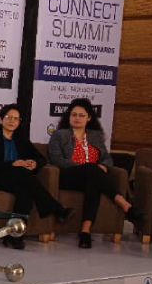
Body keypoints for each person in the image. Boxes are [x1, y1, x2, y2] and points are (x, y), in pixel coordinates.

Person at [48, 98, 144, 248]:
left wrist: (104, 166)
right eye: (74, 115)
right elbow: (57, 160)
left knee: (93, 183)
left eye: (81, 115)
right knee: (92, 170)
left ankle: (85, 231)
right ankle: (125, 204)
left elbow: (106, 158)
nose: (77, 118)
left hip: (92, 176)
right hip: (68, 176)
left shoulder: (95, 136)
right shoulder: (60, 135)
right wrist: (85, 167)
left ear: (89, 118)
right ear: (69, 117)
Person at [0, 104, 73, 250]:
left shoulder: (21, 140)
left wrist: (34, 163)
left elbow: (41, 158)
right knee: (23, 173)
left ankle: (14, 236)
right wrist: (13, 163)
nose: (12, 121)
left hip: (20, 178)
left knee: (25, 192)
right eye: (8, 118)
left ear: (19, 122)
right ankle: (55, 207)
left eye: (16, 119)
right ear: (0, 120)